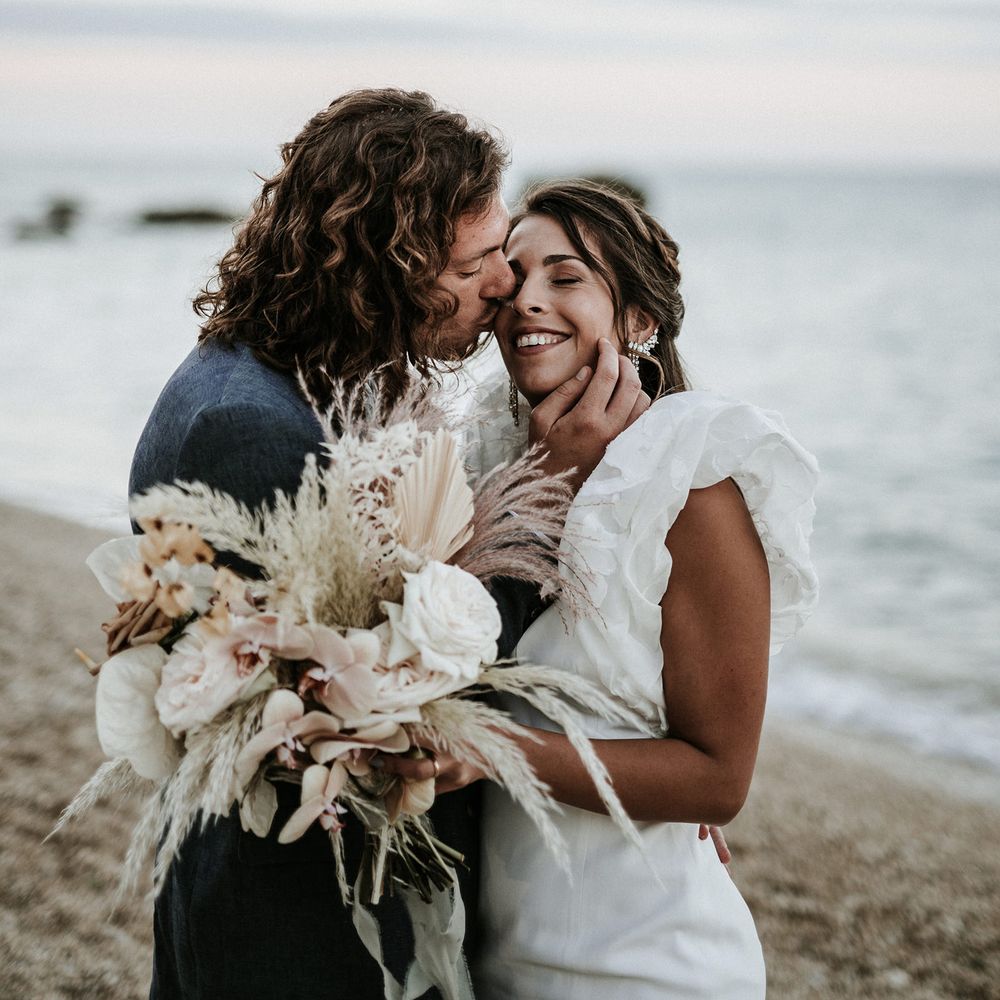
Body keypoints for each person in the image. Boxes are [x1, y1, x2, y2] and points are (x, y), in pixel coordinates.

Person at [128, 93, 650, 1000]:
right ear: (384, 261)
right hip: (298, 929)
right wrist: (552, 488)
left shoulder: (286, 381)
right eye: (478, 259)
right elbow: (393, 695)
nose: (503, 287)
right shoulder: (251, 429)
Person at [393, 179, 819, 998]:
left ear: (638, 321)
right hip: (493, 959)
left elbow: (719, 780)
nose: (527, 302)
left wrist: (495, 751)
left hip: (646, 964)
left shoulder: (693, 484)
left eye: (566, 277)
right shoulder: (486, 463)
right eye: (514, 277)